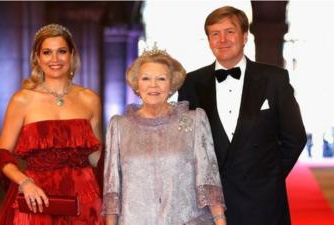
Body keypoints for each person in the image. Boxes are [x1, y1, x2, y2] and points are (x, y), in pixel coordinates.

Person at [178, 6, 307, 225]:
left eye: (230, 31)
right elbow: (185, 142)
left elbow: (295, 138)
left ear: (245, 36)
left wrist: (268, 176)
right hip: (211, 203)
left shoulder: (274, 79)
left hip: (262, 201)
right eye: (215, 34)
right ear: (208, 40)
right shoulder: (191, 83)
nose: (222, 40)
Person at [0, 24, 104, 225]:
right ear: (37, 57)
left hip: (85, 197)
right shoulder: (22, 100)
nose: (55, 59)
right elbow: (2, 153)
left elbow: (96, 155)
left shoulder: (89, 99)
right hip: (37, 196)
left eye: (61, 51)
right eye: (47, 52)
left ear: (71, 55)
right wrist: (24, 183)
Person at [103, 46, 226, 225]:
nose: (153, 85)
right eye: (146, 78)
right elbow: (112, 190)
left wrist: (220, 221)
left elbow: (209, 180)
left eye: (161, 78)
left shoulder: (194, 120)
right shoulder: (119, 126)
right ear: (137, 84)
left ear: (171, 84)